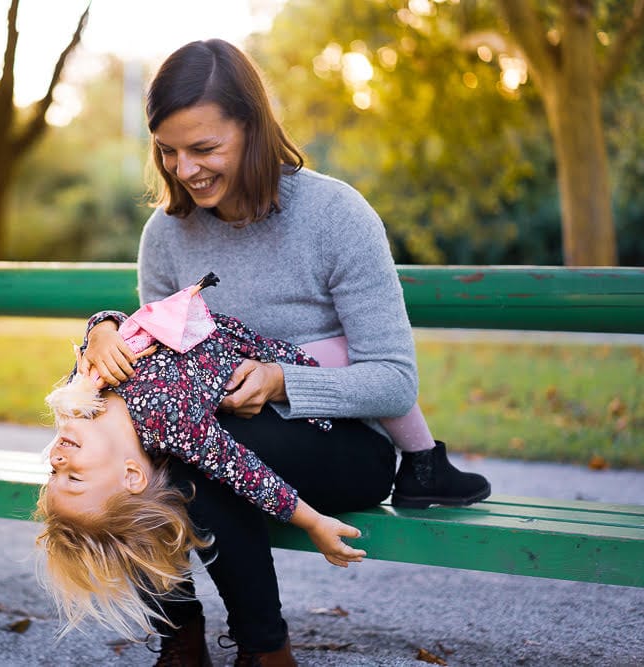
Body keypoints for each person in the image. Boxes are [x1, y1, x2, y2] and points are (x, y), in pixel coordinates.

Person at [78, 38, 491, 665]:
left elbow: (393, 381)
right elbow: (156, 359)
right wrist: (104, 330)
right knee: (116, 456)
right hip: (215, 434)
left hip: (345, 444)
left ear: (253, 128)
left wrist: (281, 382)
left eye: (204, 148)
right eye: (167, 150)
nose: (184, 169)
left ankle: (265, 651)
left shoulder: (335, 214)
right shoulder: (166, 234)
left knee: (193, 460)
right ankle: (179, 635)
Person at [36, 273, 365, 647]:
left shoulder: (78, 397)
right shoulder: (169, 422)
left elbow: (123, 323)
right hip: (264, 359)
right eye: (74, 478)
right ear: (131, 476)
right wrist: (314, 522)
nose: (57, 460)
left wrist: (101, 331)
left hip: (202, 323)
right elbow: (246, 472)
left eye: (54, 474)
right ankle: (197, 638)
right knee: (335, 360)